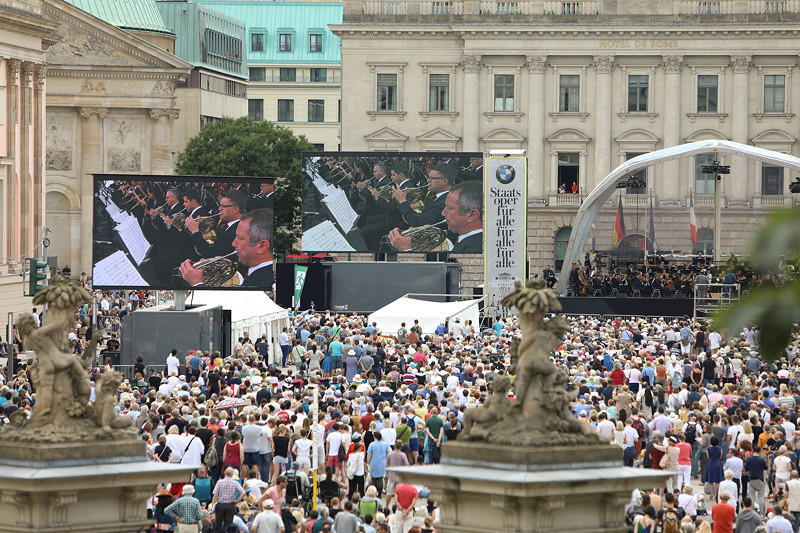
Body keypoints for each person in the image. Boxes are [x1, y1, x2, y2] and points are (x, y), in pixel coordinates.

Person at [212, 467, 246, 533]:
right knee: (228, 525)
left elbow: (215, 495)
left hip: (220, 505)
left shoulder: (219, 482)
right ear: (232, 474)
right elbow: (243, 493)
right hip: (230, 505)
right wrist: (237, 501)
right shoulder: (235, 483)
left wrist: (213, 505)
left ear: (224, 473)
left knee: (217, 524)